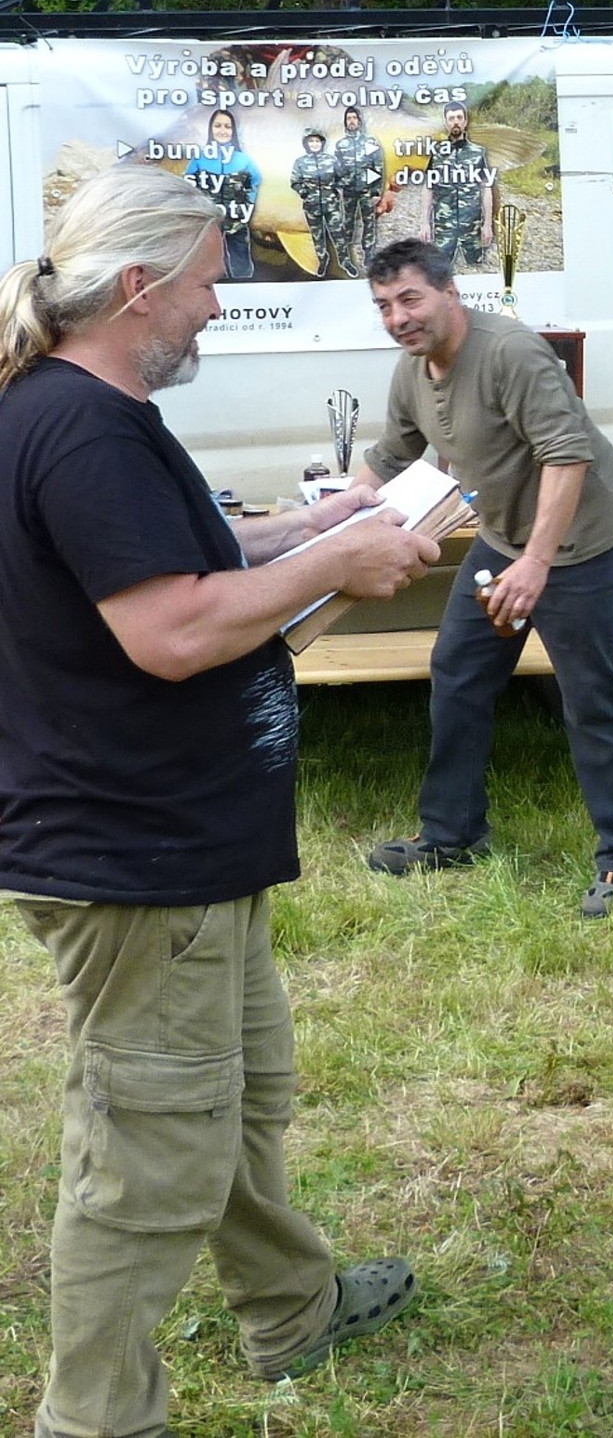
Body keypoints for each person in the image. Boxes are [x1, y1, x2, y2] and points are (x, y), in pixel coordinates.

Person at [0, 164, 440, 1437]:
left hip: (183, 839)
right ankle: (94, 1419)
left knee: (233, 1098)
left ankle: (293, 1308)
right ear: (138, 288)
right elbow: (172, 630)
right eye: (205, 284)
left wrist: (315, 528)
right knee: (148, 1156)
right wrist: (341, 561)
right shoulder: (81, 427)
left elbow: (174, 559)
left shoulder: (89, 408)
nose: (216, 306)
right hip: (135, 855)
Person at [359, 238, 613, 918]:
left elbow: (566, 454)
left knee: (593, 696)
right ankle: (451, 835)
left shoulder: (511, 353)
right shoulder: (413, 369)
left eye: (410, 299)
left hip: (579, 545)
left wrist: (537, 564)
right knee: (458, 672)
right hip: (502, 542)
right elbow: (391, 455)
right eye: (384, 306)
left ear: (449, 293)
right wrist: (335, 521)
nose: (398, 318)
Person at [184, 107, 261, 280]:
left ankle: (243, 284)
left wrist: (247, 206)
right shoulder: (200, 157)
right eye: (218, 126)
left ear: (233, 131)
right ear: (211, 129)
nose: (222, 130)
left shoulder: (243, 159)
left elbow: (254, 181)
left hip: (237, 222)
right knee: (208, 259)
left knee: (240, 259)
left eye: (227, 126)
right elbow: (188, 182)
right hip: (209, 222)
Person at [420, 102, 494, 268]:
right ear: (446, 123)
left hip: (472, 228)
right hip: (444, 227)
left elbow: (486, 188)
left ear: (465, 121)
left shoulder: (478, 153)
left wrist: (487, 225)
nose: (455, 122)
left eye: (459, 117)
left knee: (476, 269)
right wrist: (425, 223)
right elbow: (428, 188)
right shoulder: (437, 153)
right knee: (440, 272)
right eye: (451, 118)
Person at [290, 127, 355, 278]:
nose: (314, 144)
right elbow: (294, 182)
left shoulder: (332, 160)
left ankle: (345, 262)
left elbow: (343, 178)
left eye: (317, 141)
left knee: (338, 234)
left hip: (331, 205)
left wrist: (339, 187)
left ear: (322, 143)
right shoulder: (300, 162)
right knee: (317, 236)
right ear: (306, 144)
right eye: (311, 141)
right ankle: (322, 259)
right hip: (311, 206)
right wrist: (303, 192)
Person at [334, 106, 386, 274]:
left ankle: (368, 255)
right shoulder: (341, 145)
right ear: (345, 122)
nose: (351, 121)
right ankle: (346, 256)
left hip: (366, 191)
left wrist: (376, 192)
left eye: (354, 118)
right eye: (348, 119)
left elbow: (378, 167)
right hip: (348, 191)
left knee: (369, 223)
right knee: (347, 223)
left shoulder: (370, 142)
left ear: (359, 121)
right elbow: (337, 169)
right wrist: (338, 187)